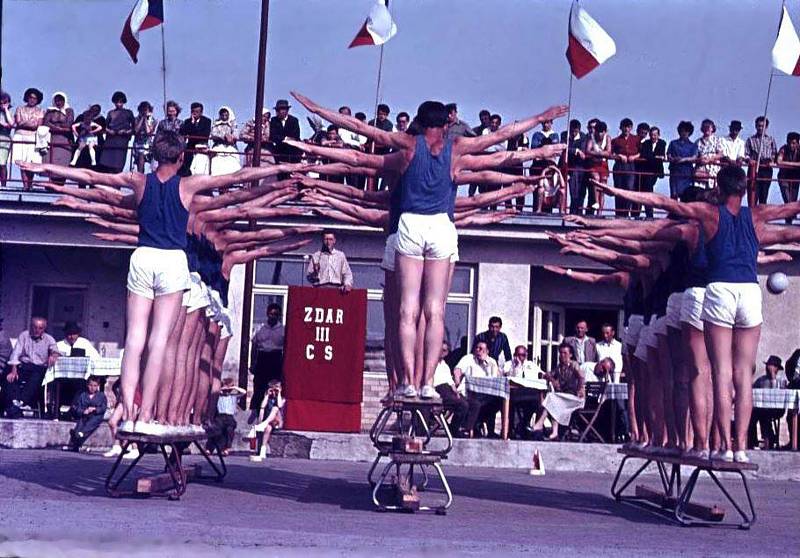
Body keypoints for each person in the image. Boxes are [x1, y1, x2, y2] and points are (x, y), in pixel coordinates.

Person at [19, 131, 306, 434]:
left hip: (143, 256)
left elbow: (92, 177)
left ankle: (128, 408)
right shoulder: (188, 184)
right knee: (159, 342)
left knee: (134, 340)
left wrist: (42, 169)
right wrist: (281, 169)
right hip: (171, 260)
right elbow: (239, 178)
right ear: (182, 157)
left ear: (155, 155)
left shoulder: (139, 181)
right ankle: (145, 414)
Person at [595, 164, 800, 462]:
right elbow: (793, 209)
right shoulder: (757, 215)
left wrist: (615, 192)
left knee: (716, 374)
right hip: (750, 291)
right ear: (743, 189)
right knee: (743, 375)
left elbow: (663, 204)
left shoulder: (708, 214)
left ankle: (715, 446)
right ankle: (739, 447)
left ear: (719, 188)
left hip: (719, 290)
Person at [2, 317, 59, 417]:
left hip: (39, 367)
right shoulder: (24, 335)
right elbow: (16, 353)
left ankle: (21, 403)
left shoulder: (49, 339)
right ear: (31, 327)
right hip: (24, 365)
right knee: (9, 374)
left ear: (44, 329)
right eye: (35, 327)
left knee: (36, 376)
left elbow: (55, 350)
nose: (37, 330)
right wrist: (13, 370)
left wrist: (53, 355)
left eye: (40, 328)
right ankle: (13, 402)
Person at [532, 343, 585, 440]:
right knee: (553, 400)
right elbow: (547, 374)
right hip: (563, 398)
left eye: (565, 353)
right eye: (560, 353)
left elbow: (581, 377)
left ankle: (539, 424)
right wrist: (552, 380)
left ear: (570, 355)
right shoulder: (559, 367)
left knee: (552, 398)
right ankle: (554, 432)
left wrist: (581, 389)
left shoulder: (574, 365)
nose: (562, 355)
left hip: (574, 398)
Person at [454, 341, 501, 437]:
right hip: (468, 393)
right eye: (477, 348)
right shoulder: (469, 358)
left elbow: (495, 378)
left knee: (498, 401)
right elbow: (457, 370)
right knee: (476, 402)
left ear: (487, 351)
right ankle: (469, 428)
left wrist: (485, 364)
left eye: (482, 349)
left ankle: (485, 427)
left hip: (486, 394)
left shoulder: (492, 362)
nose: (479, 351)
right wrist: (456, 382)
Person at [250, 303, 285, 423]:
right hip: (262, 358)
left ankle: (273, 414)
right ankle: (255, 410)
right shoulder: (260, 329)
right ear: (267, 314)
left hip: (275, 358)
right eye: (271, 314)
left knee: (274, 386)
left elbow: (287, 349)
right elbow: (254, 346)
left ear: (279, 316)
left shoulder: (283, 330)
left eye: (275, 314)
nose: (273, 316)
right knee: (259, 385)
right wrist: (252, 363)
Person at [747, 355, 788, 450]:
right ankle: (752, 441)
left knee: (764, 415)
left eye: (771, 366)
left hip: (776, 409)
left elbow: (776, 395)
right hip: (761, 408)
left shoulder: (781, 380)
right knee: (752, 415)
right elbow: (752, 391)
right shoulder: (761, 380)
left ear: (777, 368)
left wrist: (773, 377)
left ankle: (770, 439)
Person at [433, 341, 471, 437]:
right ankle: (454, 430)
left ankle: (457, 428)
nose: (442, 352)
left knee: (470, 403)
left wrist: (456, 391)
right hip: (437, 390)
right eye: (440, 349)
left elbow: (450, 382)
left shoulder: (445, 365)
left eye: (444, 350)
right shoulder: (431, 364)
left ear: (447, 352)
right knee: (462, 404)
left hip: (448, 389)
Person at [504, 345, 543, 439]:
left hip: (530, 394)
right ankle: (516, 429)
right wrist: (517, 366)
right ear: (514, 355)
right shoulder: (509, 364)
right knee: (514, 405)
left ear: (526, 355)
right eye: (518, 355)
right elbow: (508, 376)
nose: (520, 357)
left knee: (539, 403)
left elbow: (541, 374)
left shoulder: (531, 364)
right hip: (514, 394)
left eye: (523, 355)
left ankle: (533, 429)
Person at [62, 376, 107, 452]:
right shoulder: (82, 395)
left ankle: (81, 433)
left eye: (95, 386)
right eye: (91, 385)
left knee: (93, 422)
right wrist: (83, 411)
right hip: (84, 415)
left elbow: (103, 407)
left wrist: (95, 409)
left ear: (98, 386)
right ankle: (76, 443)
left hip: (95, 415)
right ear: (87, 385)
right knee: (80, 425)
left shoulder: (101, 396)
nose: (92, 388)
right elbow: (76, 407)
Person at [12, 88, 45, 190]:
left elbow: (38, 125)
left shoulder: (40, 111)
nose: (32, 100)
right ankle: (25, 185)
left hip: (33, 137)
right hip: (20, 136)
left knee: (31, 162)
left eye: (35, 98)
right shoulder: (19, 108)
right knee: (21, 162)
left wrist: (25, 123)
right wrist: (29, 123)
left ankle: (30, 184)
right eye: (30, 97)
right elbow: (18, 122)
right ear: (27, 98)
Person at [98, 91, 135, 173]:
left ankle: (117, 184)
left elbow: (134, 128)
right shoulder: (110, 113)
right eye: (117, 102)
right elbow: (104, 127)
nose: (118, 104)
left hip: (122, 141)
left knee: (118, 165)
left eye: (120, 102)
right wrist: (109, 131)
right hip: (110, 141)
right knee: (107, 165)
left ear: (123, 102)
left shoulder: (128, 113)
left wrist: (126, 132)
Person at [249, 379, 285, 462]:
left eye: (276, 389)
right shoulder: (268, 398)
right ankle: (263, 449)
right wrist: (267, 396)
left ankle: (262, 424)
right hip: (269, 423)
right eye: (272, 389)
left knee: (275, 408)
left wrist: (278, 393)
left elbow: (279, 405)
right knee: (267, 428)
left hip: (278, 421)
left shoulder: (282, 398)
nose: (274, 392)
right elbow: (262, 407)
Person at [745, 116, 777, 207]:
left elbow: (774, 153)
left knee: (764, 195)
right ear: (755, 126)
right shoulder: (751, 140)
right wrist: (749, 160)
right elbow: (746, 154)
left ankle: (761, 218)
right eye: (758, 126)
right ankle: (751, 218)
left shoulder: (771, 139)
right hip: (754, 169)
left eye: (762, 126)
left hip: (766, 169)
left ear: (766, 127)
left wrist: (771, 160)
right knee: (752, 196)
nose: (760, 128)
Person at [610, 118, 640, 217]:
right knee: (618, 190)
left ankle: (626, 213)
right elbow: (610, 153)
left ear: (631, 128)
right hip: (619, 166)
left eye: (628, 127)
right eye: (624, 127)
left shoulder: (636, 139)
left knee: (629, 189)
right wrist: (619, 156)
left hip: (631, 166)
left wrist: (635, 156)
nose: (626, 129)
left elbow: (642, 152)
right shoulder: (616, 140)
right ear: (621, 128)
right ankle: (619, 214)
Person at [210, 377, 245, 456]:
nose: (227, 391)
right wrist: (222, 388)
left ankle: (226, 448)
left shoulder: (233, 396)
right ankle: (210, 448)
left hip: (229, 416)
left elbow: (244, 392)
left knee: (229, 430)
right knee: (217, 430)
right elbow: (211, 392)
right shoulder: (218, 396)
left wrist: (233, 387)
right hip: (220, 416)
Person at [636, 126, 666, 219]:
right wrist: (655, 157)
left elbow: (660, 154)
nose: (653, 137)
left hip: (655, 171)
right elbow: (645, 154)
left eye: (655, 135)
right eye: (651, 135)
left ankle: (648, 214)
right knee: (644, 191)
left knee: (647, 190)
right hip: (646, 170)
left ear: (658, 135)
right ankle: (644, 214)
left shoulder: (662, 143)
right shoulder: (646, 143)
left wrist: (652, 157)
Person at [42, 92, 75, 175]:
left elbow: (68, 124)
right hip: (52, 138)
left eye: (61, 100)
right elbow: (46, 122)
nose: (59, 103)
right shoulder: (50, 111)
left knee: (63, 162)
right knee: (52, 161)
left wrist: (54, 125)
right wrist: (58, 128)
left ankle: (60, 184)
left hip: (64, 139)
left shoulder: (69, 111)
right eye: (56, 101)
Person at [666, 121, 699, 199]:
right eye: (682, 130)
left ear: (689, 132)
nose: (684, 133)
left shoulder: (693, 145)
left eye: (686, 131)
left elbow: (694, 157)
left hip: (686, 173)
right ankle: (673, 211)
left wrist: (683, 160)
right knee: (673, 195)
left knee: (685, 195)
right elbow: (668, 154)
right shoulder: (673, 143)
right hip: (675, 171)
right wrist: (672, 159)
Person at [179, 102, 212, 175]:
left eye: (197, 112)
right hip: (190, 147)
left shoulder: (207, 121)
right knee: (186, 166)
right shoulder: (187, 121)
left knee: (200, 169)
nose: (194, 113)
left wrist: (193, 127)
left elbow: (204, 135)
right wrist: (192, 123)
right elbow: (183, 133)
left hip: (202, 146)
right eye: (193, 111)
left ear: (201, 112)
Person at [209, 106, 242, 176]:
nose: (224, 116)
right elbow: (213, 133)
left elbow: (236, 134)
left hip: (230, 146)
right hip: (218, 146)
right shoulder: (216, 123)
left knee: (232, 165)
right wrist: (223, 136)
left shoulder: (233, 124)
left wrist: (231, 137)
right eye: (222, 115)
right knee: (217, 165)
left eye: (226, 115)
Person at [777, 132, 800, 223]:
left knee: (793, 200)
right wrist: (795, 165)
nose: (791, 145)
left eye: (794, 143)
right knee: (787, 200)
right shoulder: (783, 148)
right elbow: (779, 161)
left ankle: (789, 221)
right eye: (789, 143)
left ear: (798, 143)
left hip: (795, 177)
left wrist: (786, 163)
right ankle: (789, 219)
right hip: (784, 177)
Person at [694, 119, 723, 189]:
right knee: (700, 191)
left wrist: (710, 159)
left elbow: (720, 154)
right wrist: (700, 159)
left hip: (713, 168)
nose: (706, 129)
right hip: (701, 168)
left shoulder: (717, 140)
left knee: (712, 191)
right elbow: (694, 156)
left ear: (712, 129)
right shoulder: (698, 142)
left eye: (708, 127)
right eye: (704, 127)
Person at [270, 99, 301, 163]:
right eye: (278, 110)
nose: (280, 111)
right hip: (279, 152)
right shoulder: (273, 120)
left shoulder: (294, 120)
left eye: (282, 109)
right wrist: (286, 138)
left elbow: (296, 136)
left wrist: (281, 138)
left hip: (293, 153)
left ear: (287, 110)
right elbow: (273, 136)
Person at [132, 101, 156, 173]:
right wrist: (142, 118)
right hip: (138, 144)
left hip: (148, 144)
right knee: (140, 157)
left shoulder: (152, 120)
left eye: (145, 110)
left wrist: (145, 119)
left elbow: (148, 131)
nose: (144, 111)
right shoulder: (136, 119)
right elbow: (136, 130)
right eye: (142, 110)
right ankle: (140, 175)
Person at [0, 92, 13, 187]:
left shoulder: (10, 112)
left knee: (2, 163)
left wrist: (6, 110)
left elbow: (11, 123)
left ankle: (4, 185)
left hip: (4, 140)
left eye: (5, 102)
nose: (2, 104)